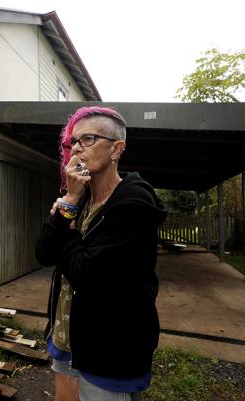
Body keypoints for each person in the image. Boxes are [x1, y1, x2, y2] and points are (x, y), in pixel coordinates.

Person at [36, 106, 167, 401]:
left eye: (89, 139)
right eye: (74, 142)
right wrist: (70, 199)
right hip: (67, 335)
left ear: (116, 150)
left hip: (109, 346)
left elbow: (88, 274)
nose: (77, 149)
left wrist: (67, 231)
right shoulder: (78, 199)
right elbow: (44, 253)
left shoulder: (133, 204)